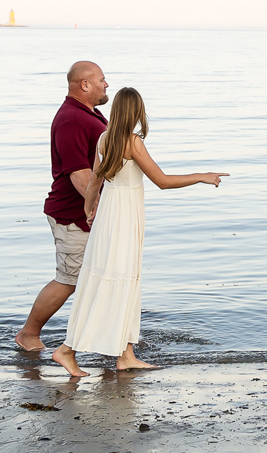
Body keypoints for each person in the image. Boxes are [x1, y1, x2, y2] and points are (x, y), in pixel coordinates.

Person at [51, 87, 227, 382]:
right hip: (122, 219)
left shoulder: (105, 139)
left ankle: (125, 355)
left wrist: (89, 209)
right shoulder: (132, 142)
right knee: (118, 282)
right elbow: (162, 181)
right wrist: (201, 177)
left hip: (110, 216)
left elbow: (94, 181)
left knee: (122, 282)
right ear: (136, 112)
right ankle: (67, 350)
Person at [15, 61, 110, 352]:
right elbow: (78, 173)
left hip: (87, 212)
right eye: (102, 80)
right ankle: (28, 335)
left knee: (98, 277)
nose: (107, 85)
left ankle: (104, 339)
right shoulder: (72, 119)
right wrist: (93, 211)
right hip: (74, 214)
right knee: (68, 279)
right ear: (84, 84)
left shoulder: (88, 113)